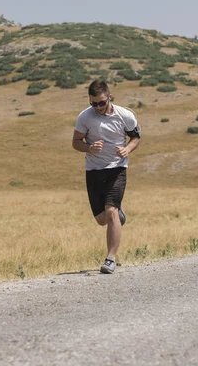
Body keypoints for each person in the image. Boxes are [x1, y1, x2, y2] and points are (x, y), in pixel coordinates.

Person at [72, 80, 141, 274]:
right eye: (94, 103)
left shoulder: (125, 115)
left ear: (109, 96)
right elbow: (76, 142)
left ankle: (110, 258)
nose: (98, 107)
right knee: (102, 219)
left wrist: (127, 149)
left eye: (101, 102)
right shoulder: (85, 117)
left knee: (110, 210)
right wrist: (89, 147)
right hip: (94, 170)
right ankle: (118, 216)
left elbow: (136, 137)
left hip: (116, 169)